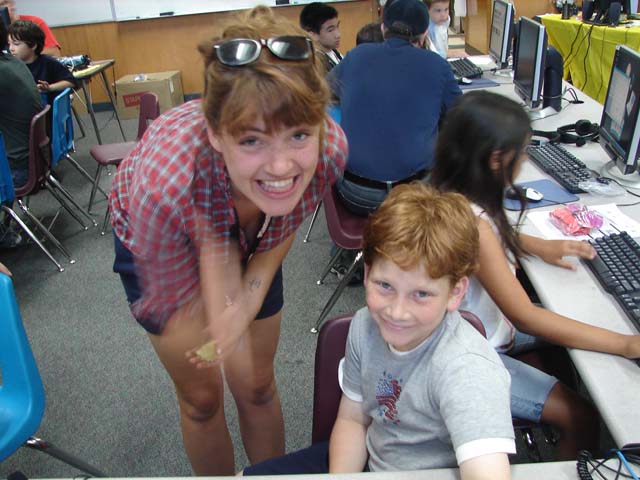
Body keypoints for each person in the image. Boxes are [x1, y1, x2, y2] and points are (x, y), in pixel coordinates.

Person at [109, 6, 347, 476]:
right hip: (166, 236)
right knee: (201, 397)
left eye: (299, 134)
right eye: (252, 140)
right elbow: (197, 328)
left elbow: (283, 223)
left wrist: (250, 290)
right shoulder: (164, 189)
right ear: (216, 134)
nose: (282, 166)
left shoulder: (329, 150)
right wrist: (222, 315)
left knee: (256, 385)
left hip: (250, 231)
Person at [242, 183, 514, 478]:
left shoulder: (467, 370)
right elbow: (353, 420)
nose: (397, 311)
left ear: (455, 293)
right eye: (385, 286)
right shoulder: (365, 325)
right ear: (367, 273)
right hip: (371, 459)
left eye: (421, 294)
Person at [430, 90, 640, 459]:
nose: (526, 159)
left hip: (483, 326)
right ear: (496, 159)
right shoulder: (473, 224)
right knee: (581, 415)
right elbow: (524, 316)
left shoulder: (450, 193)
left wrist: (538, 245)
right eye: (523, 152)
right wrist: (626, 345)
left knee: (575, 324)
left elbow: (489, 243)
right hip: (463, 355)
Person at [328, 0, 460, 216]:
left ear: (383, 28)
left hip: (357, 194)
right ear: (424, 34)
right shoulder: (438, 65)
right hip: (416, 197)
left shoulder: (356, 56)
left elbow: (321, 94)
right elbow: (460, 119)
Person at [8, 19, 75, 105]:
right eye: (9, 44)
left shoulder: (48, 63)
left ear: (33, 45)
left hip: (45, 109)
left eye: (16, 44)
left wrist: (49, 88)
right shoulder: (11, 66)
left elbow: (71, 82)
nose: (11, 48)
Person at [300, 2, 342, 72]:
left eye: (337, 27)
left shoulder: (334, 52)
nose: (338, 35)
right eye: (330, 30)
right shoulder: (315, 65)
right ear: (312, 35)